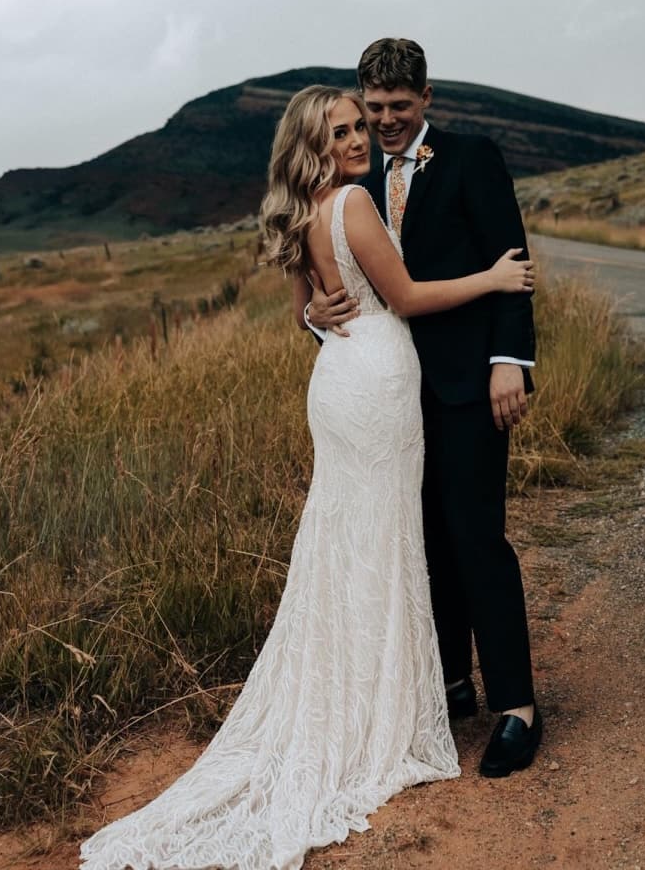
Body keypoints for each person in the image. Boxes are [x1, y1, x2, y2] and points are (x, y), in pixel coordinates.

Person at [79, 85, 534, 870]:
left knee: (351, 537)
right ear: (314, 143)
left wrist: (317, 315)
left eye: (362, 125)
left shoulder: (299, 210)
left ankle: (371, 687)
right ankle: (383, 705)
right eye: (344, 130)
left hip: (336, 382)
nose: (359, 138)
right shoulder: (353, 202)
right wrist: (494, 281)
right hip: (381, 379)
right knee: (384, 537)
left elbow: (304, 313)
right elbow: (409, 297)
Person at [306, 38, 542, 779]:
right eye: (372, 109)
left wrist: (512, 363)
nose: (384, 123)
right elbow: (342, 278)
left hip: (470, 381)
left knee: (477, 538)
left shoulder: (473, 158)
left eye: (399, 108)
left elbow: (514, 266)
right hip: (390, 392)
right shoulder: (355, 174)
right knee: (424, 539)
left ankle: (518, 706)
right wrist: (317, 310)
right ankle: (448, 683)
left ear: (427, 98)